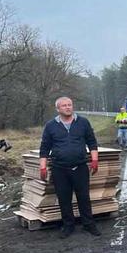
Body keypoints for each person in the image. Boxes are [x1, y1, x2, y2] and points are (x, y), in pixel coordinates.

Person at [39, 97, 101, 239]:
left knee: (84, 197)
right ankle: (68, 226)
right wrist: (42, 167)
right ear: (58, 109)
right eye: (64, 106)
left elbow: (92, 142)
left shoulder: (83, 122)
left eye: (69, 105)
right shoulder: (50, 126)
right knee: (64, 198)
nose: (68, 107)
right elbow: (44, 148)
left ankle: (89, 224)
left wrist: (95, 160)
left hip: (80, 166)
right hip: (59, 168)